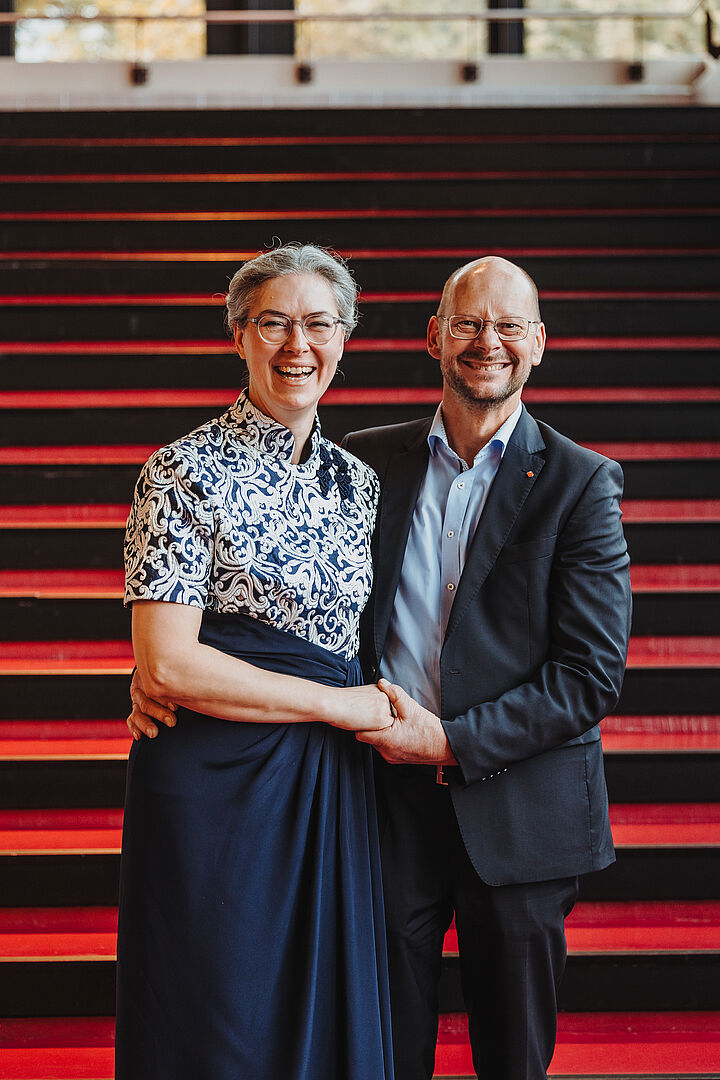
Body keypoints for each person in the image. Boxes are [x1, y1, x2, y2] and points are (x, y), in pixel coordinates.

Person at [130, 255, 632, 1080]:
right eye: (468, 324)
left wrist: (449, 740)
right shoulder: (370, 464)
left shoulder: (578, 483)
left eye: (509, 326)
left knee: (514, 1059)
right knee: (374, 1050)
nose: (489, 342)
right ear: (434, 337)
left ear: (539, 343)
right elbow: (263, 625)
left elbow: (589, 676)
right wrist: (163, 670)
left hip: (517, 813)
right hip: (376, 805)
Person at [116, 243, 395, 1080]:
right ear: (239, 336)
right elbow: (169, 667)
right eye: (273, 323)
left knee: (320, 1012)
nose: (296, 345)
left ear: (344, 339)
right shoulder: (179, 470)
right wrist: (337, 704)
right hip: (213, 784)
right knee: (218, 1015)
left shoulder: (359, 483)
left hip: (328, 783)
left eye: (318, 324)